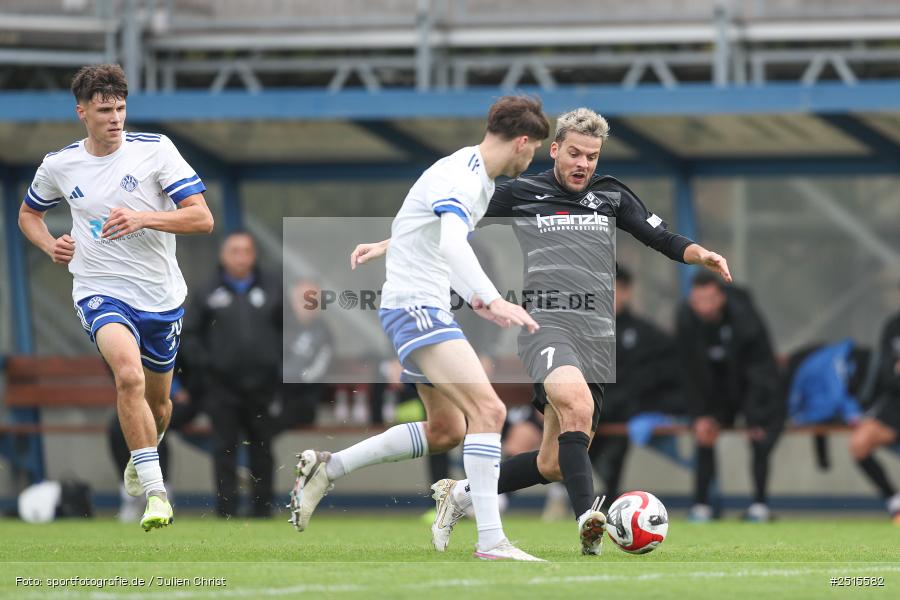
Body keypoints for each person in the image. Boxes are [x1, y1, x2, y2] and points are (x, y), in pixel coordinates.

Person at [351, 107, 732, 555]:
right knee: (577, 404)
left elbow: (661, 236)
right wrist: (388, 243)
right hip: (547, 326)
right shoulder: (522, 191)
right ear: (554, 150)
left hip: (596, 338)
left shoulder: (611, 195)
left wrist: (701, 254)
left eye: (591, 156)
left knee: (553, 462)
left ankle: (461, 494)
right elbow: (448, 219)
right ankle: (588, 518)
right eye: (575, 153)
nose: (583, 163)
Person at [290, 95, 550, 561]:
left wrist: (391, 246)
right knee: (489, 411)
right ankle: (491, 542)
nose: (532, 159)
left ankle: (329, 468)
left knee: (447, 430)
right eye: (534, 150)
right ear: (522, 142)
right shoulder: (463, 177)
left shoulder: (473, 175)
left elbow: (428, 227)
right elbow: (451, 243)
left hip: (419, 308)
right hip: (418, 308)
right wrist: (490, 297)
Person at [17, 64, 213, 531]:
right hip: (99, 290)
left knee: (159, 407)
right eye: (105, 110)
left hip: (160, 297)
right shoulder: (59, 165)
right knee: (128, 376)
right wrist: (50, 245)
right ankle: (156, 494)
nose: (115, 118)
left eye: (121, 108)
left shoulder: (156, 150)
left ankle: (140, 454)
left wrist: (143, 217)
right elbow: (29, 214)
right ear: (82, 112)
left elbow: (202, 219)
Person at [181, 232, 282, 518]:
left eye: (246, 251)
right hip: (221, 386)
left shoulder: (272, 288)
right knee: (224, 447)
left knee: (262, 446)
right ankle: (227, 509)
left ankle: (262, 508)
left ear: (254, 255)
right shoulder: (207, 291)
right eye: (234, 251)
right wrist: (207, 365)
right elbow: (190, 335)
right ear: (223, 256)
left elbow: (286, 330)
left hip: (263, 385)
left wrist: (276, 365)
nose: (241, 257)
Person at [678, 272, 782, 523]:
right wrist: (700, 413)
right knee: (704, 432)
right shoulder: (686, 319)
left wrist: (755, 415)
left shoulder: (745, 318)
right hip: (716, 392)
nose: (703, 307)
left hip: (750, 388)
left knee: (758, 435)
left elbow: (761, 369)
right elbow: (689, 371)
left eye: (709, 300)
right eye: (698, 301)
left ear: (720, 298)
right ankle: (701, 506)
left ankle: (759, 506)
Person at [589, 265, 686, 509]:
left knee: (611, 439)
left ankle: (607, 500)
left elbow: (663, 374)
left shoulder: (645, 334)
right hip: (591, 411)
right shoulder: (585, 332)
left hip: (622, 412)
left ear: (626, 292)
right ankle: (564, 492)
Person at [849, 304, 900, 523]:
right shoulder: (893, 326)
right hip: (895, 404)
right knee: (859, 443)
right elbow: (888, 376)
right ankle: (895, 502)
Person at [279, 280, 335, 430]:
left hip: (302, 397)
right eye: (303, 299)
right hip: (271, 395)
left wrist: (292, 379)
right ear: (292, 301)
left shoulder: (324, 332)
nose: (309, 304)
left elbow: (317, 371)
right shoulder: (277, 325)